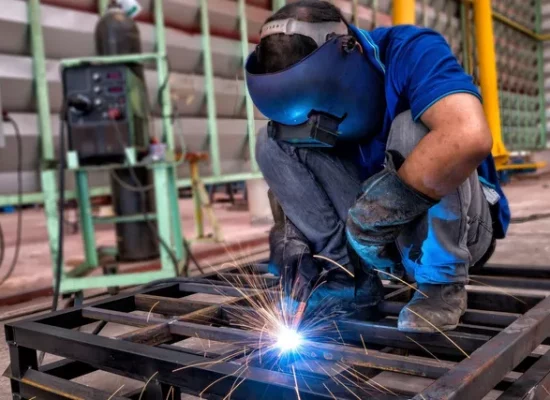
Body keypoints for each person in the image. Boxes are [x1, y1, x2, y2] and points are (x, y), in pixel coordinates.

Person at [245, 0, 510, 332]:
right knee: (272, 142)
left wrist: (381, 210)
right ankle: (346, 281)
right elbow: (299, 179)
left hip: (462, 230)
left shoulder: (411, 49)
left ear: (351, 50)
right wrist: (293, 235)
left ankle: (441, 286)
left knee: (413, 128)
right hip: (371, 247)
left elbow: (468, 136)